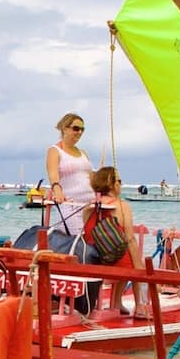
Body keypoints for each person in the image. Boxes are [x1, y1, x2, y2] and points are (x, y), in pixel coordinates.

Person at [87, 167, 149, 319]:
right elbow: (130, 239)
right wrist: (140, 266)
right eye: (119, 181)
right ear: (111, 184)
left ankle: (117, 302)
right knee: (132, 258)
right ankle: (140, 306)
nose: (121, 184)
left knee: (121, 253)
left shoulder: (88, 207)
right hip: (115, 264)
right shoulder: (122, 207)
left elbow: (90, 236)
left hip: (93, 260)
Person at [45, 113, 95, 236]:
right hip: (70, 205)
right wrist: (57, 189)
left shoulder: (83, 153)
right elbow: (53, 174)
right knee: (75, 242)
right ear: (64, 128)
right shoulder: (54, 151)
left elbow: (91, 178)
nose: (79, 132)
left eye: (82, 129)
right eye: (76, 128)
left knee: (93, 243)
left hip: (91, 205)